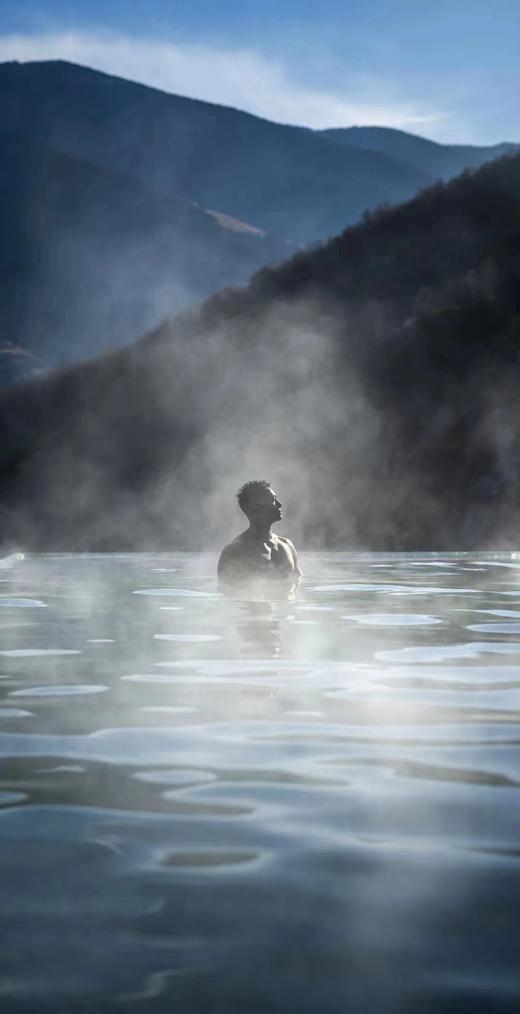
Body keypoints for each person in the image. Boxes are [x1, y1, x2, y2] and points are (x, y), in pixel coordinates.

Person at [218, 480, 302, 586]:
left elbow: (297, 584)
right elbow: (225, 591)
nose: (279, 504)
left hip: (285, 602)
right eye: (273, 500)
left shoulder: (287, 545)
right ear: (254, 508)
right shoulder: (234, 552)